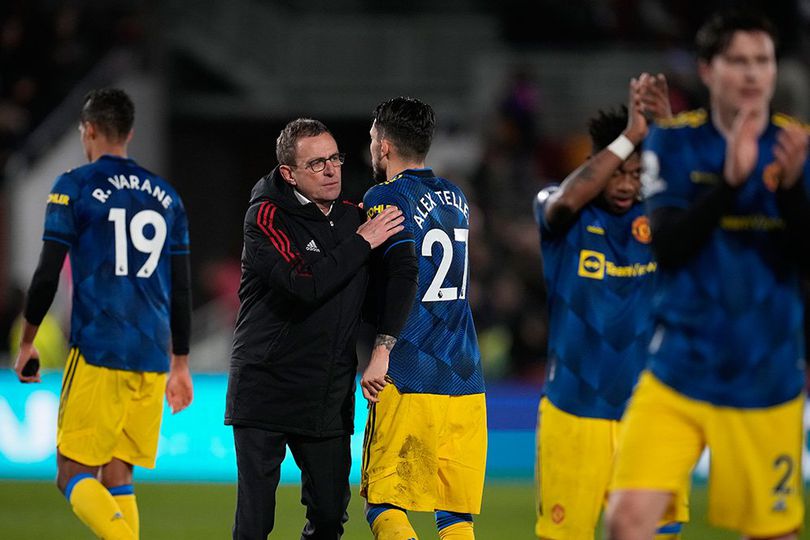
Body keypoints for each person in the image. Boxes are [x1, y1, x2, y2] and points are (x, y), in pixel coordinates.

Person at [606, 10, 809, 540]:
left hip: (765, 372)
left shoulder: (797, 151)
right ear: (708, 70)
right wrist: (729, 185)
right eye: (738, 61)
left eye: (762, 61)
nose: (752, 73)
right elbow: (668, 247)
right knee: (626, 522)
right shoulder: (674, 144)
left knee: (771, 535)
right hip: (680, 369)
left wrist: (788, 195)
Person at [12, 88, 194, 540]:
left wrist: (28, 339)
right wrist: (181, 363)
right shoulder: (168, 198)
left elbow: (47, 274)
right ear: (129, 132)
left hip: (99, 347)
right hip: (152, 354)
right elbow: (182, 287)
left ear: (89, 130)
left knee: (70, 472)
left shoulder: (74, 186)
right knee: (118, 475)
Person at [224, 118, 404, 539]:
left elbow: (394, 281)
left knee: (328, 517)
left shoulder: (353, 216)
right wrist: (362, 242)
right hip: (265, 386)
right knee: (255, 524)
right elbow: (303, 284)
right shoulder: (266, 215)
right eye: (317, 163)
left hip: (326, 392)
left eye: (335, 157)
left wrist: (385, 346)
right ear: (288, 174)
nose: (331, 170)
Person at [533, 74, 686, 540]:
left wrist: (669, 125)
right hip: (574, 413)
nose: (627, 184)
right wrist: (632, 137)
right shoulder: (562, 213)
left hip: (649, 413)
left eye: (637, 174)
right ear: (598, 162)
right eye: (618, 171)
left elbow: (698, 185)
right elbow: (567, 199)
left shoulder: (659, 218)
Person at [360, 96, 486, 540]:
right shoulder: (457, 197)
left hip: (410, 369)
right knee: (455, 518)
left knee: (383, 506)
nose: (371, 144)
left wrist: (381, 350)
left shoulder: (384, 196)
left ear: (385, 147)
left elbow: (399, 276)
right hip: (465, 376)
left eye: (373, 137)